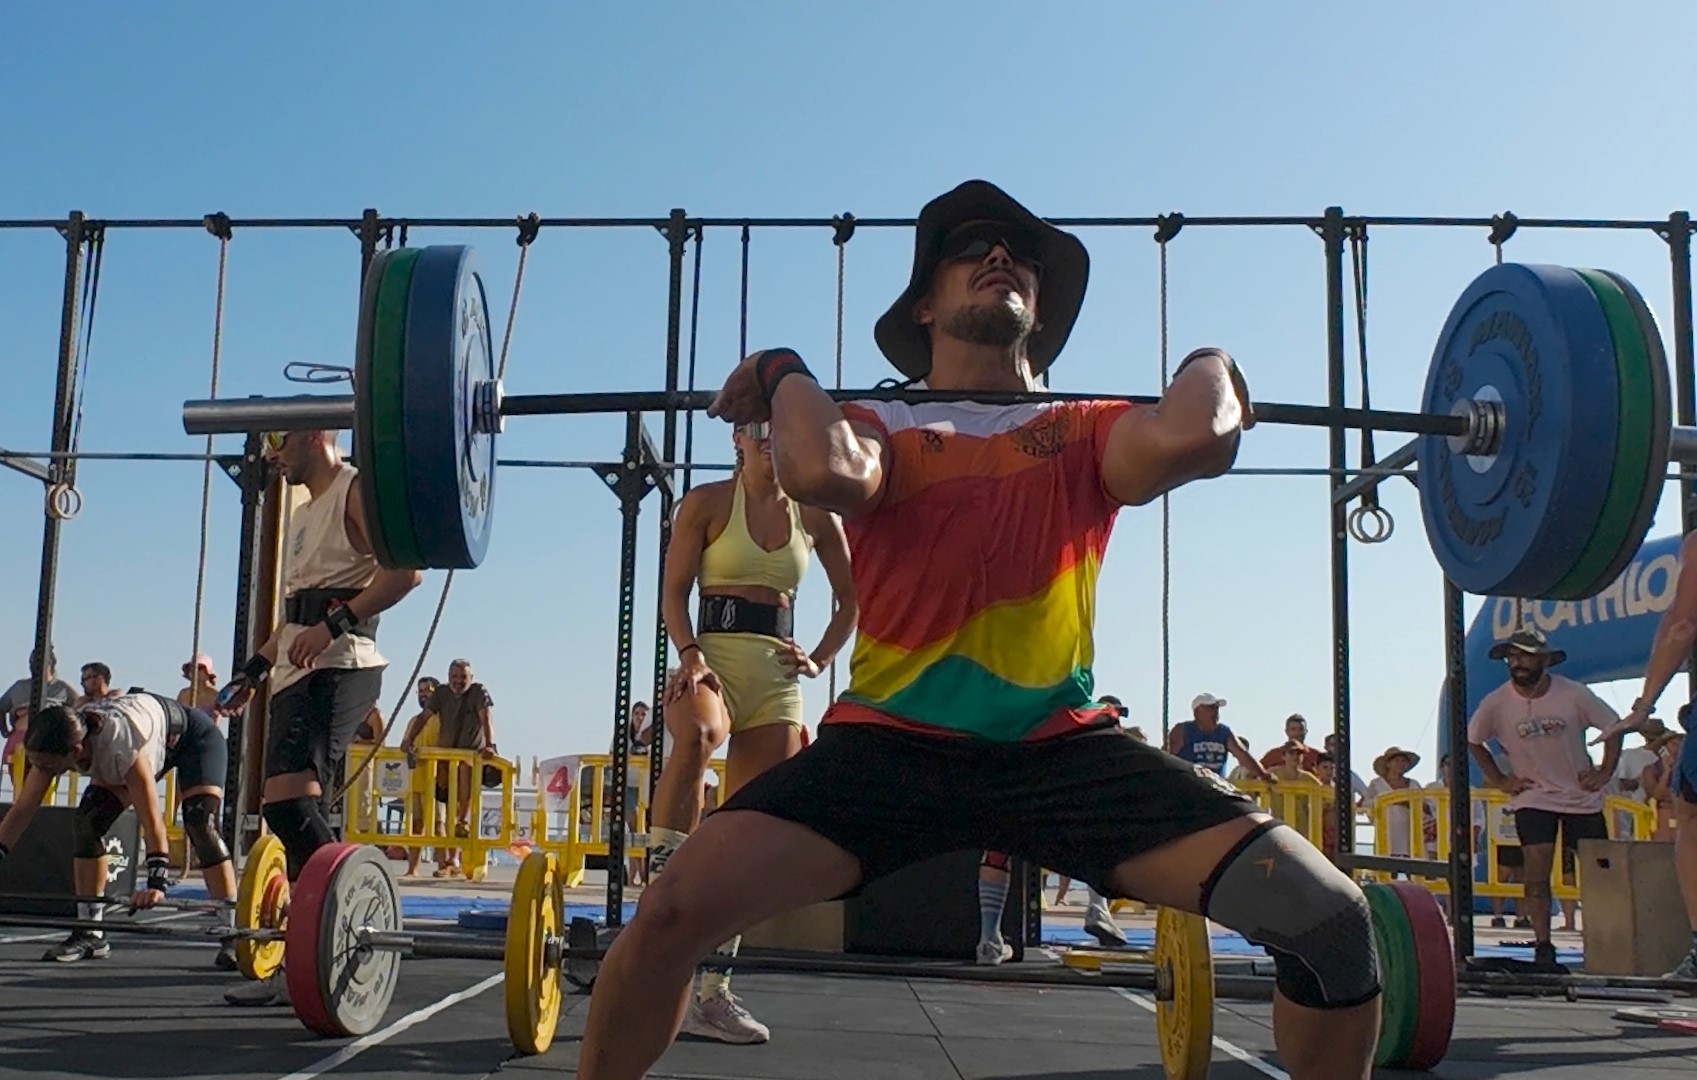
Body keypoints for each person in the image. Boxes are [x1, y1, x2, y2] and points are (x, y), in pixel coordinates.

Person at [577, 179, 1382, 1080]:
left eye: (1020, 253)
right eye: (970, 245)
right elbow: (815, 465)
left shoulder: (1084, 430)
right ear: (925, 301)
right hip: (886, 749)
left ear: (1036, 305)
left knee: (1332, 925)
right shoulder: (880, 424)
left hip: (1059, 753)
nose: (1000, 256)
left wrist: (1213, 356)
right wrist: (778, 367)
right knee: (667, 916)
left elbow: (1199, 430)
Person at [651, 419, 857, 1044]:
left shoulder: (815, 513)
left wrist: (818, 658)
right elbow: (673, 593)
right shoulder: (707, 503)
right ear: (737, 438)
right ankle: (661, 882)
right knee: (696, 736)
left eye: (779, 426)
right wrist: (688, 652)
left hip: (775, 673)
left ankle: (714, 993)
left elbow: (850, 600)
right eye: (756, 429)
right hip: (710, 658)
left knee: (746, 825)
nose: (769, 437)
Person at [214, 428, 422, 1006]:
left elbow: (406, 573)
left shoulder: (356, 491)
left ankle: (338, 936)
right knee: (284, 809)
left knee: (291, 806)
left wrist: (336, 624)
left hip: (341, 666)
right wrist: (253, 672)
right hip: (294, 670)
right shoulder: (303, 514)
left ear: (314, 434)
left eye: (281, 443)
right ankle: (316, 951)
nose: (273, 457)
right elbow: (298, 611)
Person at [0, 691, 238, 967]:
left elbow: (151, 818)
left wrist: (156, 880)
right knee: (87, 823)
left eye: (45, 764)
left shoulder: (119, 745)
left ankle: (231, 933)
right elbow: (21, 811)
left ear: (75, 751)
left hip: (193, 740)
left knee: (200, 823)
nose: (40, 770)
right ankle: (90, 932)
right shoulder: (54, 750)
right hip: (144, 739)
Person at [1466, 628, 1623, 970]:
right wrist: (1499, 779)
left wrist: (1605, 772)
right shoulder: (1496, 701)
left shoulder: (1574, 694)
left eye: (1525, 656)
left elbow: (1613, 727)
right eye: (1513, 657)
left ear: (1545, 660)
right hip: (1533, 796)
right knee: (1536, 870)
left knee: (1600, 876)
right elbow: (1474, 740)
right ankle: (1542, 944)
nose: (1518, 663)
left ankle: (1610, 942)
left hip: (1581, 796)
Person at [424, 659, 497, 878]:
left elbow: (487, 718)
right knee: (444, 810)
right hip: (445, 759)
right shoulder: (442, 694)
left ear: (471, 678)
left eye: (462, 677)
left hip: (469, 757)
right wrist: (408, 739)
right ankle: (449, 858)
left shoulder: (478, 692)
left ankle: (457, 849)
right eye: (454, 677)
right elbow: (423, 717)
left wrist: (490, 745)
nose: (458, 681)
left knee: (461, 808)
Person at [397, 676, 444, 878]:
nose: (424, 694)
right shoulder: (413, 721)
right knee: (416, 824)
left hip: (436, 780)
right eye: (421, 691)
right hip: (416, 780)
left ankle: (443, 865)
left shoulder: (443, 720)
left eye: (428, 690)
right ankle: (412, 868)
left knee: (439, 824)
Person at [1168, 693, 1272, 783]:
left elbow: (1242, 755)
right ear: (1197, 711)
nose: (1215, 712)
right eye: (1211, 708)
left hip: (1215, 787)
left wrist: (1263, 775)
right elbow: (1169, 756)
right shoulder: (1182, 730)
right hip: (1189, 786)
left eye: (1217, 708)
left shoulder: (1224, 732)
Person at [1365, 747, 1420, 857]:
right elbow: (1366, 803)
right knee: (1387, 865)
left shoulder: (1413, 784)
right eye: (1396, 760)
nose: (1400, 764)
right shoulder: (1376, 783)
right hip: (1386, 830)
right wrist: (1388, 801)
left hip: (1409, 831)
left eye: (1403, 761)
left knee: (1412, 865)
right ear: (1388, 764)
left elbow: (1425, 804)